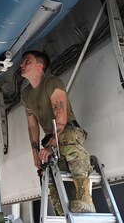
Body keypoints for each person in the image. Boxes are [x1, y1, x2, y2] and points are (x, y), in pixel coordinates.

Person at [20, 50, 96, 215]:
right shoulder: (26, 95)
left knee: (67, 139)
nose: (21, 64)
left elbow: (60, 116)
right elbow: (32, 125)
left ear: (39, 66)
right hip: (51, 138)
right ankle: (62, 212)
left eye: (27, 61)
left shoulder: (51, 82)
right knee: (46, 168)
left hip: (68, 130)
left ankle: (85, 198)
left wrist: (51, 146)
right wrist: (35, 153)